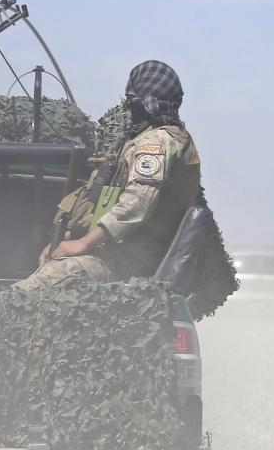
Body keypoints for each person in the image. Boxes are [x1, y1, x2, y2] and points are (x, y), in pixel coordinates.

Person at [17, 60, 200, 288]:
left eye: (133, 100)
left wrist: (83, 244)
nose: (129, 107)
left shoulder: (157, 142)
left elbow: (135, 203)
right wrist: (65, 242)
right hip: (117, 251)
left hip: (130, 260)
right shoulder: (153, 139)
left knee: (28, 292)